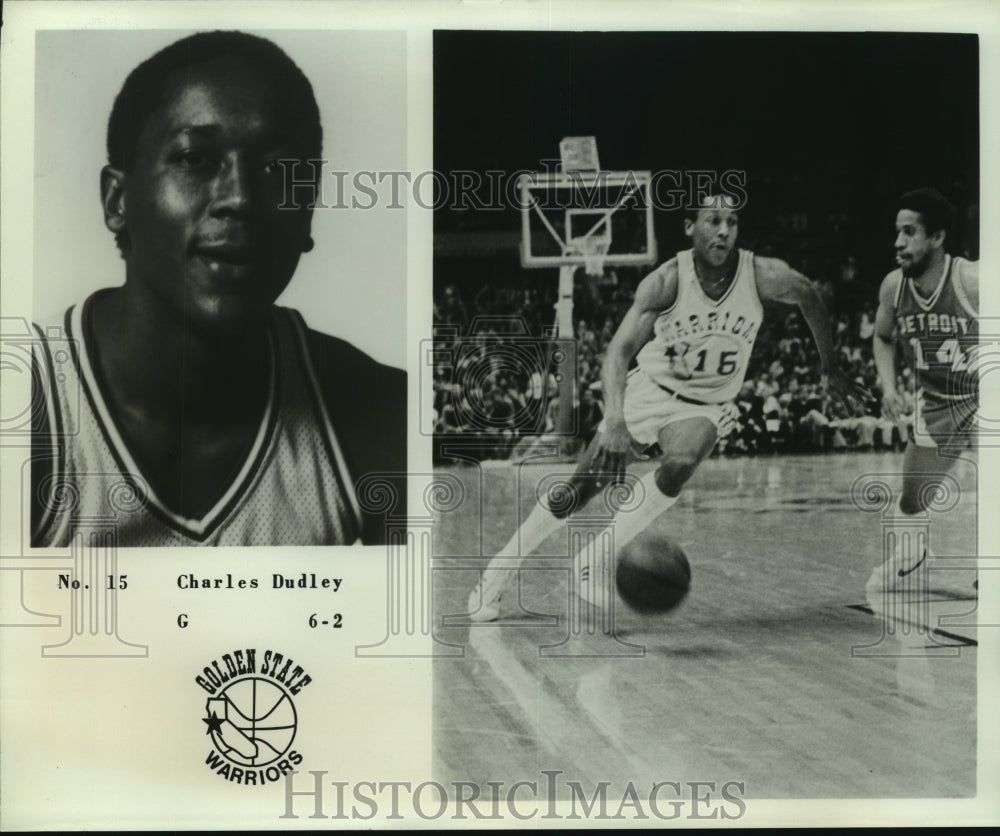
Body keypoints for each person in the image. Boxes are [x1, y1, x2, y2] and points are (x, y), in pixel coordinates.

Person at [30, 31, 406, 547]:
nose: (240, 197)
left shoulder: (380, 413)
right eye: (194, 159)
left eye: (278, 170)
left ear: (309, 208)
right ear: (117, 200)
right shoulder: (27, 411)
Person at [469, 194, 868, 620]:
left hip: (705, 403)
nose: (724, 230)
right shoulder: (666, 281)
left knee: (681, 461)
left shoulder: (762, 274)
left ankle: (594, 560)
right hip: (649, 391)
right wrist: (617, 418)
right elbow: (618, 353)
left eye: (731, 222)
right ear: (688, 227)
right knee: (576, 492)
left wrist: (830, 365)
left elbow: (809, 295)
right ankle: (498, 571)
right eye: (713, 220)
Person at [866, 187, 978, 607]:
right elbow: (881, 337)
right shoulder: (894, 287)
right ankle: (912, 556)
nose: (898, 242)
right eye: (897, 232)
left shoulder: (972, 280)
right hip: (937, 401)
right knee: (912, 500)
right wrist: (890, 387)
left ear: (937, 238)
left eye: (909, 232)